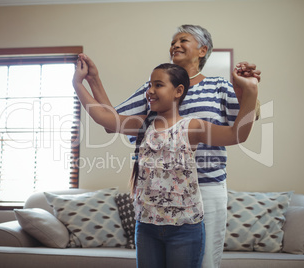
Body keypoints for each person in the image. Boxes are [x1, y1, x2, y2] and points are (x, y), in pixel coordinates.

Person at [79, 24, 261, 268]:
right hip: (158, 193)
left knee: (205, 262)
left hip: (207, 188)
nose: (175, 45)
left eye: (183, 40)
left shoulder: (218, 86)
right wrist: (93, 79)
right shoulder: (154, 90)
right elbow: (112, 120)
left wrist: (248, 90)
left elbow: (249, 118)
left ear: (202, 50)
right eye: (173, 42)